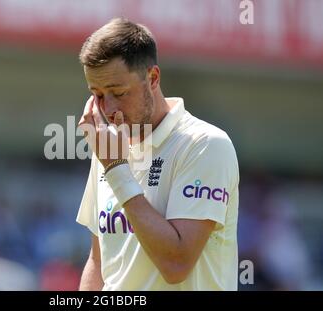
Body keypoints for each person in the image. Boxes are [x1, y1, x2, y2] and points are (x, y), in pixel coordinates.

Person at [76, 18, 239, 290]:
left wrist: (117, 169)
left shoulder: (206, 145)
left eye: (119, 92)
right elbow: (99, 260)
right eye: (98, 94)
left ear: (152, 78)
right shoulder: (108, 149)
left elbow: (176, 265)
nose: (109, 108)